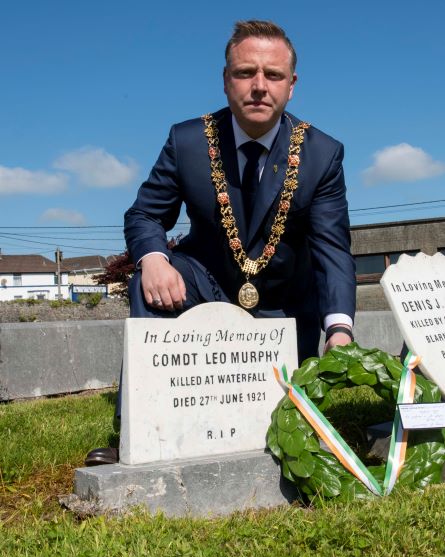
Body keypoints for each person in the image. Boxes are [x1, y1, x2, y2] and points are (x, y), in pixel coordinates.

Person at [85, 20, 356, 467]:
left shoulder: (323, 153)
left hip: (285, 305)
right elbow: (145, 214)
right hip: (204, 286)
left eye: (273, 75)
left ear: (292, 86)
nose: (258, 87)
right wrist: (153, 258)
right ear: (225, 79)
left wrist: (340, 330)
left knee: (287, 433)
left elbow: (332, 249)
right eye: (245, 72)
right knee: (148, 281)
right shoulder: (188, 140)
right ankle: (139, 435)